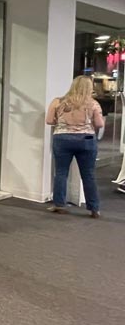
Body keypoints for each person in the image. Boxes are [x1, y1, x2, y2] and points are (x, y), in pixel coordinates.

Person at [46, 75, 104, 218]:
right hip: (86, 140)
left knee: (61, 173)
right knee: (88, 175)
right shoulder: (93, 104)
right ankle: (94, 208)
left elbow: (49, 121)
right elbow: (99, 124)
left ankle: (59, 204)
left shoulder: (58, 101)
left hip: (62, 139)